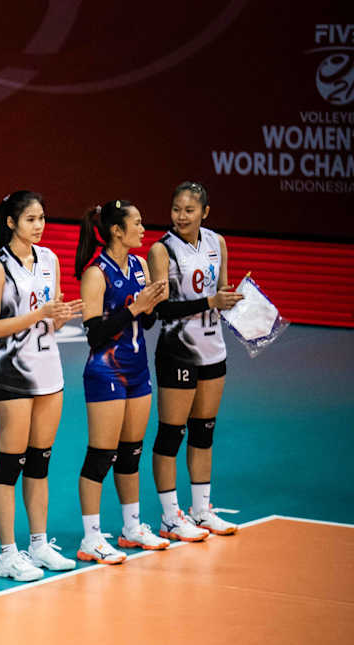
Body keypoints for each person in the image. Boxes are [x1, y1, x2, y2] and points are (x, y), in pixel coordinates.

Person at [0, 191, 82, 582]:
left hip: (49, 371)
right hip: (13, 374)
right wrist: (39, 312)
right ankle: (7, 554)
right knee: (10, 464)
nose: (39, 225)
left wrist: (60, 315)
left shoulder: (50, 259)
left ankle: (38, 544)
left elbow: (49, 321)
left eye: (42, 218)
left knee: (40, 462)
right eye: (30, 219)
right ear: (11, 222)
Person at [74, 201, 171, 564]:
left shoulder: (140, 265)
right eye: (137, 223)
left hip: (137, 369)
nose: (144, 229)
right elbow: (94, 334)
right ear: (117, 230)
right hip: (106, 371)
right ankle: (91, 538)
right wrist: (135, 307)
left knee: (131, 452)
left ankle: (131, 527)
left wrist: (152, 305)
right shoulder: (96, 273)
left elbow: (146, 322)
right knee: (101, 456)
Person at [148, 181, 244, 539]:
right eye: (176, 209)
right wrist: (209, 303)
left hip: (213, 348)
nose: (181, 216)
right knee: (171, 433)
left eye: (189, 210)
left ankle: (201, 511)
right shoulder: (162, 250)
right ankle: (170, 517)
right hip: (177, 350)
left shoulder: (218, 243)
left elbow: (221, 291)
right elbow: (161, 309)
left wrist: (234, 302)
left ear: (205, 212)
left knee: (204, 431)